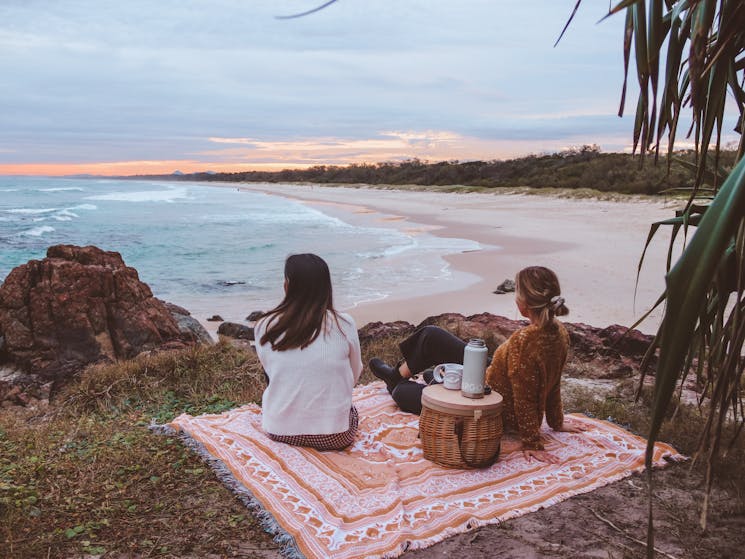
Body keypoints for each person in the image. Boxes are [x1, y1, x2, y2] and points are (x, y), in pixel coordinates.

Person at [369, 266, 584, 463]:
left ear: (523, 304)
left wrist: (532, 442)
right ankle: (401, 374)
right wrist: (557, 422)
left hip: (487, 403)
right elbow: (554, 383)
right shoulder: (560, 333)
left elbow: (525, 397)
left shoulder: (524, 342)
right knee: (431, 335)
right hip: (492, 377)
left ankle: (398, 380)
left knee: (400, 392)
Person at [255, 253, 363, 451]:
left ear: (287, 285)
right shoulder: (344, 324)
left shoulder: (265, 325)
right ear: (326, 288)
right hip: (335, 436)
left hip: (279, 431)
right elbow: (354, 373)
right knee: (353, 412)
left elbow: (270, 371)